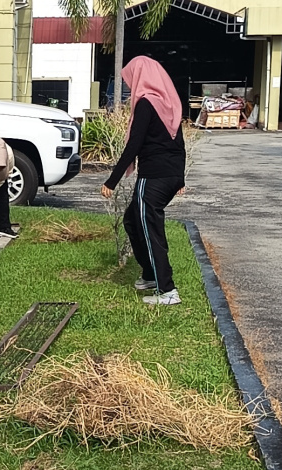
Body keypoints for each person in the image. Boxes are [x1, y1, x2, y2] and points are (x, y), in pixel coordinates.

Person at [101, 56, 187, 306]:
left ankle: (167, 290)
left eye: (131, 79)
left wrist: (112, 181)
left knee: (151, 231)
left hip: (153, 177)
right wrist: (179, 178)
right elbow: (178, 144)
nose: (130, 85)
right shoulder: (168, 103)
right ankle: (150, 275)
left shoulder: (146, 103)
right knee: (132, 220)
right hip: (170, 175)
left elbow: (134, 145)